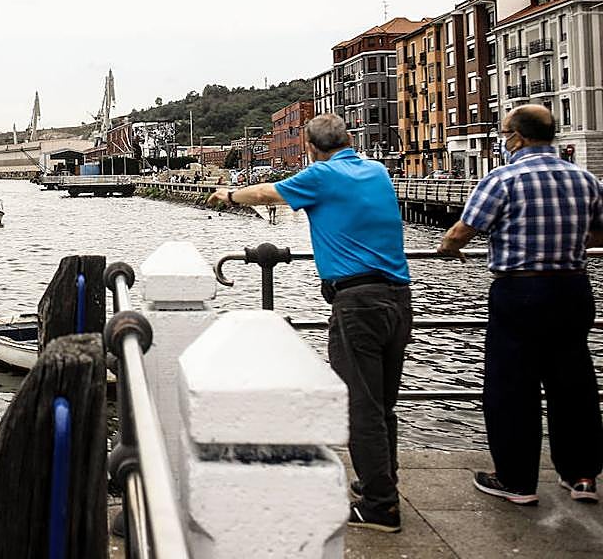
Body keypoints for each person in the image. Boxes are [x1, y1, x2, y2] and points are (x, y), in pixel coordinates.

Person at [208, 113, 412, 532]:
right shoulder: (376, 170)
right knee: (383, 403)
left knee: (361, 406)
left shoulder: (321, 175)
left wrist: (228, 195)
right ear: (349, 140)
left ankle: (381, 506)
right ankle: (380, 480)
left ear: (311, 147)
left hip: (357, 303)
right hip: (397, 297)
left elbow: (267, 193)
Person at [438, 104, 603, 505]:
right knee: (574, 383)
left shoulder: (503, 179)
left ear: (519, 137)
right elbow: (598, 235)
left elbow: (462, 232)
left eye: (505, 133)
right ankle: (581, 475)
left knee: (512, 386)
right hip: (572, 288)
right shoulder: (585, 179)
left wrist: (448, 248)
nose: (504, 140)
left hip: (520, 291)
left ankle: (516, 480)